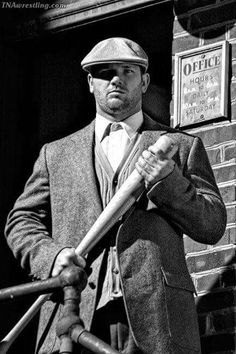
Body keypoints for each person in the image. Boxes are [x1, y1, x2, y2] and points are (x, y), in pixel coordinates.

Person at [5, 37, 226, 354]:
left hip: (156, 322)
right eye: (105, 72)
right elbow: (21, 220)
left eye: (127, 71)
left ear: (145, 81)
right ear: (90, 83)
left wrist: (169, 182)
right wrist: (52, 256)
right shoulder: (55, 155)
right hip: (74, 315)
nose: (116, 80)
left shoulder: (179, 145)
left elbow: (212, 224)